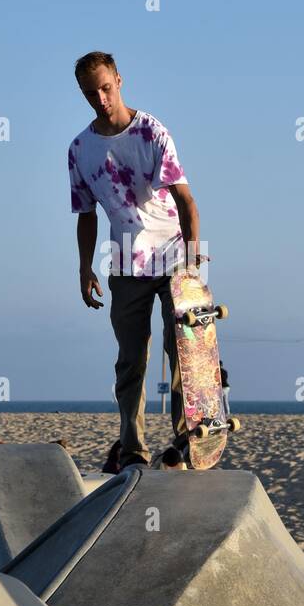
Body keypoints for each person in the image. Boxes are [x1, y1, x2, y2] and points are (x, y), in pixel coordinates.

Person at [70, 51, 200, 470]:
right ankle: (133, 450)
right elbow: (86, 214)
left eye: (106, 89)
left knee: (180, 348)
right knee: (131, 361)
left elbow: (186, 201)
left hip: (174, 258)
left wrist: (194, 263)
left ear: (119, 81)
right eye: (92, 94)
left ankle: (185, 440)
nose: (101, 99)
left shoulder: (151, 133)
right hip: (125, 265)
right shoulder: (80, 150)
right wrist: (84, 267)